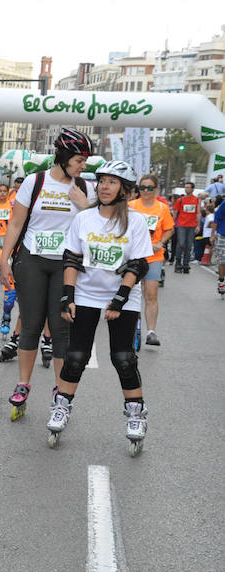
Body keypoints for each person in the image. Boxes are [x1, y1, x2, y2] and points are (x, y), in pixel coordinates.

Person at [0, 128, 96, 421]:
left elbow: (96, 228)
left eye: (85, 161)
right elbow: (15, 224)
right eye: (79, 159)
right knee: (31, 324)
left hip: (65, 264)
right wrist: (4, 260)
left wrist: (85, 206)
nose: (83, 165)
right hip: (31, 259)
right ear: (64, 156)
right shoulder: (34, 181)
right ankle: (23, 384)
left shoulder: (84, 187)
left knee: (61, 326)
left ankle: (60, 392)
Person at [56, 160, 152, 453]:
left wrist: (120, 299)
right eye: (102, 181)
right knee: (75, 355)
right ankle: (61, 407)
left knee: (123, 356)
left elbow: (138, 264)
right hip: (87, 292)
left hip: (123, 293)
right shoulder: (84, 218)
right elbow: (72, 259)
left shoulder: (134, 221)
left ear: (124, 189)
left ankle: (136, 414)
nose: (105, 187)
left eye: (112, 182)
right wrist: (67, 296)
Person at [128, 175, 173, 346]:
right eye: (143, 187)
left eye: (149, 187)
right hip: (133, 256)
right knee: (130, 292)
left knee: (151, 294)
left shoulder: (162, 208)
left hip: (154, 256)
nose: (146, 191)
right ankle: (128, 326)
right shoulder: (131, 206)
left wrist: (161, 242)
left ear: (156, 190)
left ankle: (151, 332)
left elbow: (169, 229)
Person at [171, 182, 199, 273]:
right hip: (182, 225)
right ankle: (178, 262)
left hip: (192, 225)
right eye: (185, 187)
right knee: (181, 243)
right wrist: (171, 224)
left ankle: (186, 263)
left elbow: (198, 213)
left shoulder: (196, 200)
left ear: (192, 189)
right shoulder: (180, 200)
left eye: (188, 187)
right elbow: (175, 213)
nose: (186, 189)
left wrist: (198, 225)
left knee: (189, 245)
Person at [212, 197, 225, 295]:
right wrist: (212, 235)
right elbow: (216, 218)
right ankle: (221, 281)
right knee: (223, 260)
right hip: (222, 235)